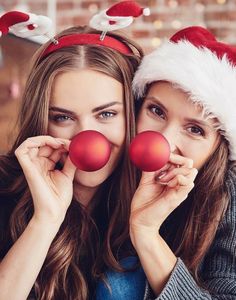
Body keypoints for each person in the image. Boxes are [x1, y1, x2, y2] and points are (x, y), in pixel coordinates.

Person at [0, 3, 145, 299]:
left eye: (106, 114)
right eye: (63, 118)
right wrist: (46, 219)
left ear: (132, 115)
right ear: (42, 121)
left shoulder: (159, 199)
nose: (85, 138)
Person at [130, 26, 236, 299]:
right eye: (156, 111)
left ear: (218, 149)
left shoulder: (229, 201)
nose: (164, 141)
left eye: (195, 130)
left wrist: (146, 233)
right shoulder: (106, 174)